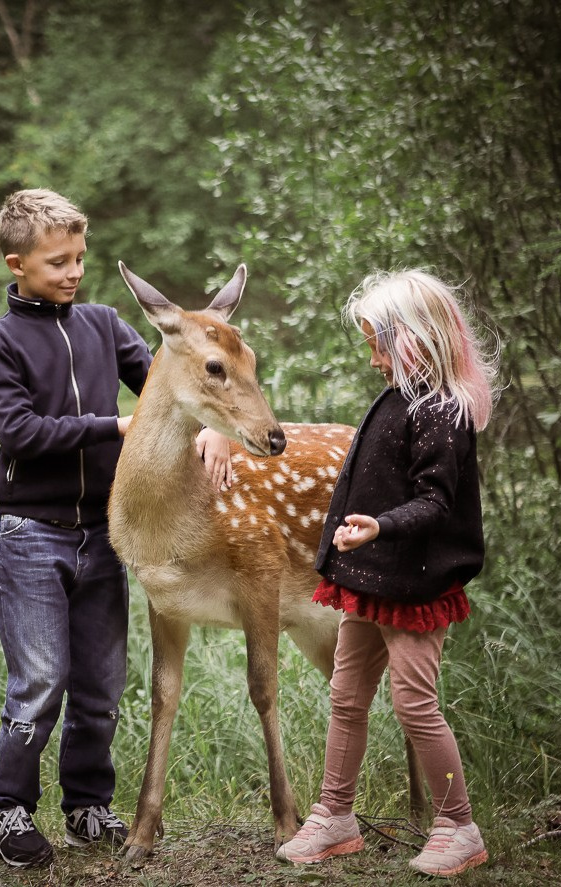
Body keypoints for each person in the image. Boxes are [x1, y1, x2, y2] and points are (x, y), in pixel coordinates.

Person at [0, 188, 231, 868]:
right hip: (33, 533)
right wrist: (116, 425)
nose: (73, 272)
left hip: (106, 533)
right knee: (40, 679)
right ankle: (8, 809)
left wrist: (211, 430)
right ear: (17, 263)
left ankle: (87, 805)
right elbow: (20, 432)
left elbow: (168, 388)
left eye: (80, 258)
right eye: (57, 261)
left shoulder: (104, 324)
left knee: (101, 683)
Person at [276, 270, 498, 878]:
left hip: (416, 584)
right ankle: (335, 816)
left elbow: (436, 502)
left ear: (415, 341)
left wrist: (379, 526)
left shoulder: (440, 411)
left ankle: (458, 825)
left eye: (380, 344)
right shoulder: (401, 396)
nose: (373, 358)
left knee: (415, 705)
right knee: (347, 696)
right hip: (373, 581)